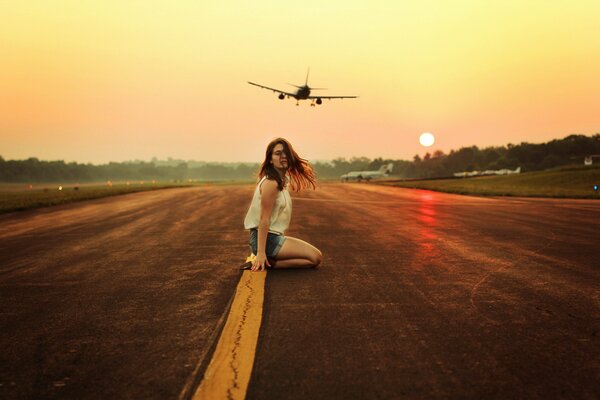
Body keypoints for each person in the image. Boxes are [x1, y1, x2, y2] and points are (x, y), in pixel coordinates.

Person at [242, 138, 322, 271]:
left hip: (273, 237)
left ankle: (270, 263)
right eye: (278, 153)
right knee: (315, 257)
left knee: (315, 258)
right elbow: (264, 219)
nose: (283, 156)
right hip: (266, 241)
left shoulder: (281, 181)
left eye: (286, 153)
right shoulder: (271, 182)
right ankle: (265, 261)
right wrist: (261, 253)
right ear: (270, 159)